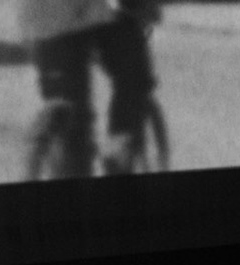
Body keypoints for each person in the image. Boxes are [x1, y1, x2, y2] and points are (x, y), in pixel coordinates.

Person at [20, 0, 162, 178]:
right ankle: (118, 156)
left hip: (38, 17)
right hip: (87, 13)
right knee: (134, 75)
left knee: (68, 108)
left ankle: (72, 158)